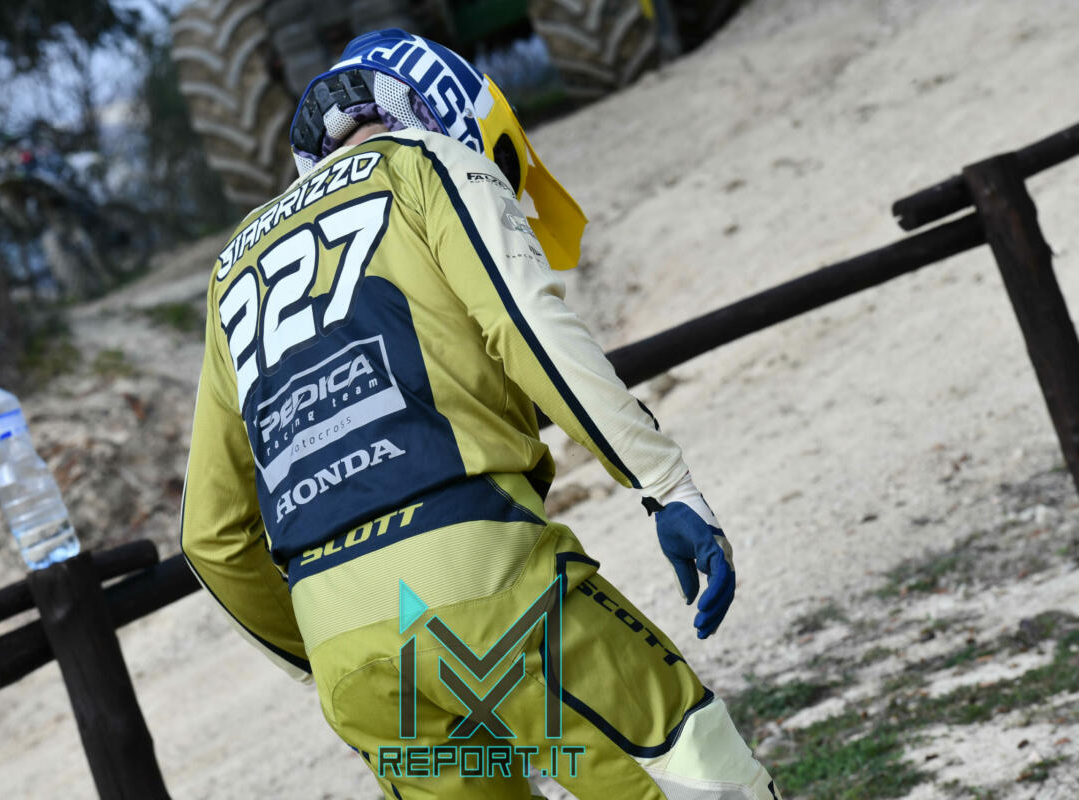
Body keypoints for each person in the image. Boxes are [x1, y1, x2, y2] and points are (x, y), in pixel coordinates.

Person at [180, 28, 780, 799]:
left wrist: (327, 651)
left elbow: (210, 534)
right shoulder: (426, 161)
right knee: (700, 777)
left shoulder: (231, 266)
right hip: (484, 579)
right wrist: (665, 485)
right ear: (455, 113)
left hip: (341, 645)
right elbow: (527, 328)